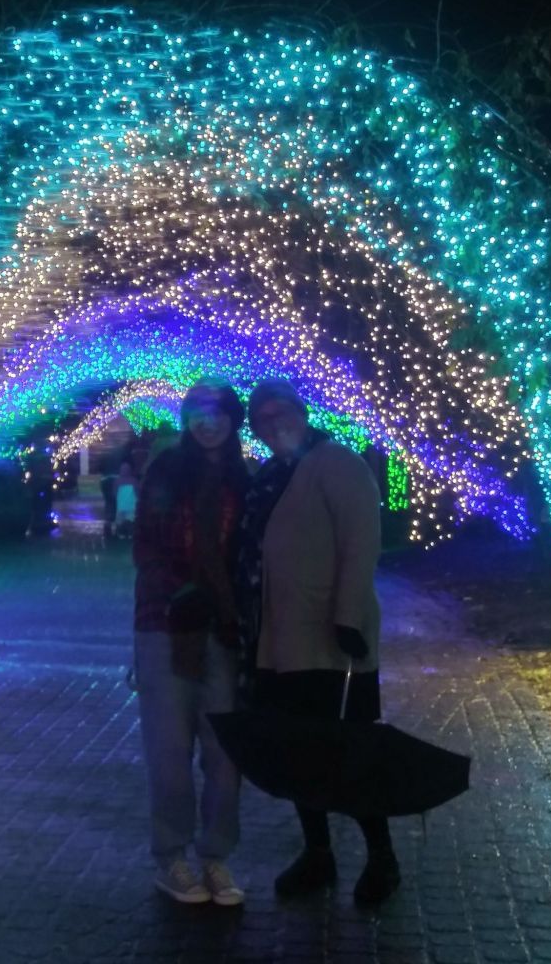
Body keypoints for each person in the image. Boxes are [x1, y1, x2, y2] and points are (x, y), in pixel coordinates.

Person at [240, 378, 400, 906]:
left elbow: (362, 542)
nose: (273, 424)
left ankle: (382, 856)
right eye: (262, 418)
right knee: (299, 751)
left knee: (350, 750)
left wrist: (348, 616)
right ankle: (318, 852)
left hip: (332, 641)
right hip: (280, 639)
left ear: (302, 412)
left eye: (281, 412)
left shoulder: (337, 464)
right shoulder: (272, 473)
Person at [132, 380, 249, 906]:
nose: (209, 423)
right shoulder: (167, 470)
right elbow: (147, 546)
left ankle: (217, 855)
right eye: (199, 413)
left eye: (218, 413)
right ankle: (172, 857)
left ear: (233, 419)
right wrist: (181, 594)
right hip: (166, 625)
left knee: (225, 752)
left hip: (225, 630)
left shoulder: (244, 478)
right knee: (169, 748)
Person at [114, 461, 138, 538]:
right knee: (130, 521)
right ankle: (130, 533)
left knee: (120, 521)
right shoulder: (133, 480)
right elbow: (137, 492)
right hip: (131, 505)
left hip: (121, 505)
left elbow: (114, 492)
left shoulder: (117, 481)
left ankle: (121, 534)